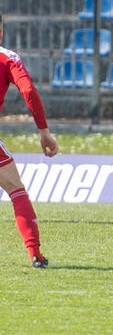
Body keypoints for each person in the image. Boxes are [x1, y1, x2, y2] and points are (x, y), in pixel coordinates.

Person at [0, 13, 58, 267]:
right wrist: (44, 131)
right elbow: (28, 90)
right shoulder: (7, 58)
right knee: (16, 190)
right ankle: (34, 252)